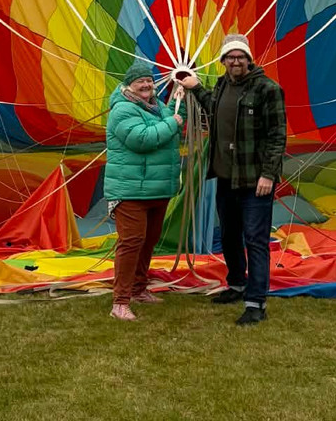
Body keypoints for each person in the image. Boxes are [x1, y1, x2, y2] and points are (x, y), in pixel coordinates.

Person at [178, 34, 286, 325]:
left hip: (254, 180)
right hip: (226, 177)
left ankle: (256, 303)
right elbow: (213, 106)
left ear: (249, 59)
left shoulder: (268, 89)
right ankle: (237, 285)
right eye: (230, 57)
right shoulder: (223, 84)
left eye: (241, 56)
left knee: (256, 239)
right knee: (228, 234)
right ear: (223, 61)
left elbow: (278, 136)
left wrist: (268, 173)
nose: (236, 61)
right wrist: (195, 86)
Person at [104, 61, 184, 321]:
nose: (147, 85)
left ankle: (138, 289)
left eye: (149, 81)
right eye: (141, 82)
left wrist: (177, 96)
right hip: (130, 192)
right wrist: (173, 122)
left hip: (155, 190)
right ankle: (120, 302)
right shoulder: (122, 110)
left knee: (147, 242)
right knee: (130, 244)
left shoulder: (155, 106)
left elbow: (165, 118)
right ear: (129, 85)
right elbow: (142, 139)